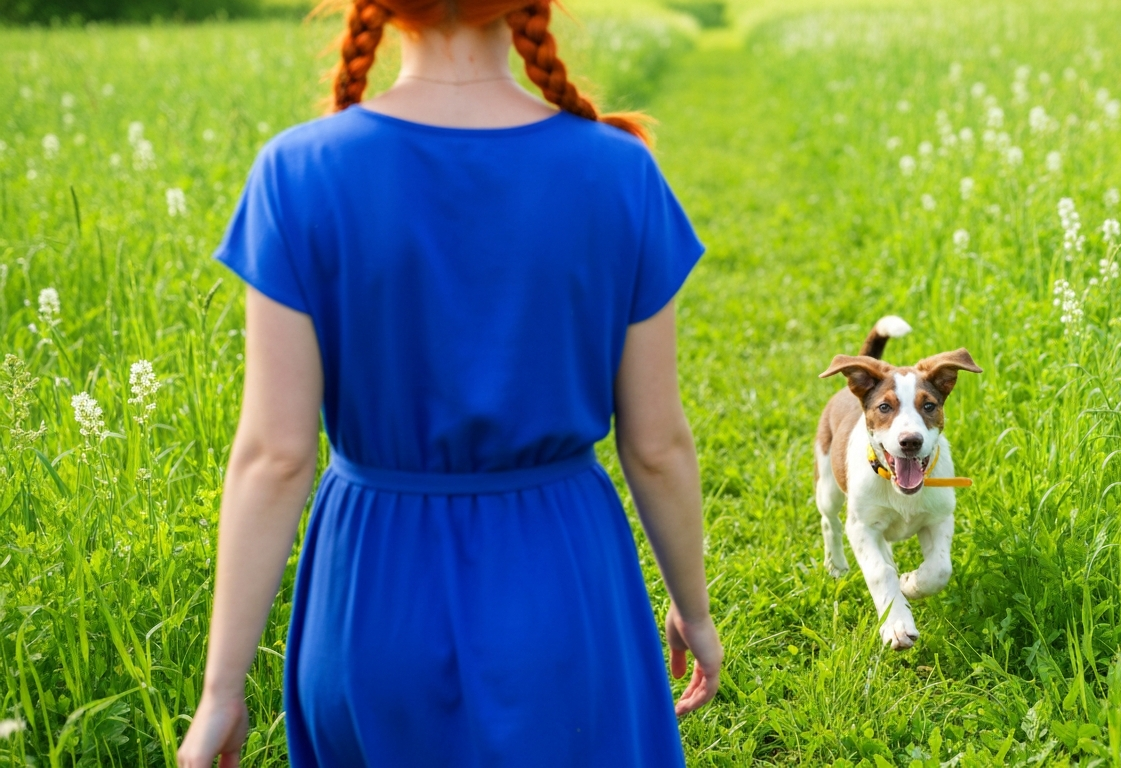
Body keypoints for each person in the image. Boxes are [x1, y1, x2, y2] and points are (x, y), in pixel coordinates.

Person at [176, 0, 721, 764]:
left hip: (369, 594)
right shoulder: (617, 170)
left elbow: (276, 454)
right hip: (562, 583)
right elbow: (657, 444)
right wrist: (693, 609)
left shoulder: (295, 171)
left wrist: (220, 690)